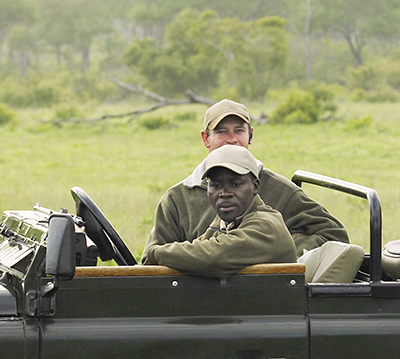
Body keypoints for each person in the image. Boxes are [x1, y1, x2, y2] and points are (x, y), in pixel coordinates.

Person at [147, 99, 347, 255]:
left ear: (251, 136)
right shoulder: (178, 198)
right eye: (221, 132)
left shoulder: (279, 189)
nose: (231, 140)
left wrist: (267, 252)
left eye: (239, 131)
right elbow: (152, 258)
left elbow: (334, 236)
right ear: (206, 138)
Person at [143, 145, 300, 278]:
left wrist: (155, 253)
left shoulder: (266, 225)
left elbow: (211, 256)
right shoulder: (228, 221)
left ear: (256, 186)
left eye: (235, 184)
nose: (224, 193)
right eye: (216, 185)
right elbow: (198, 247)